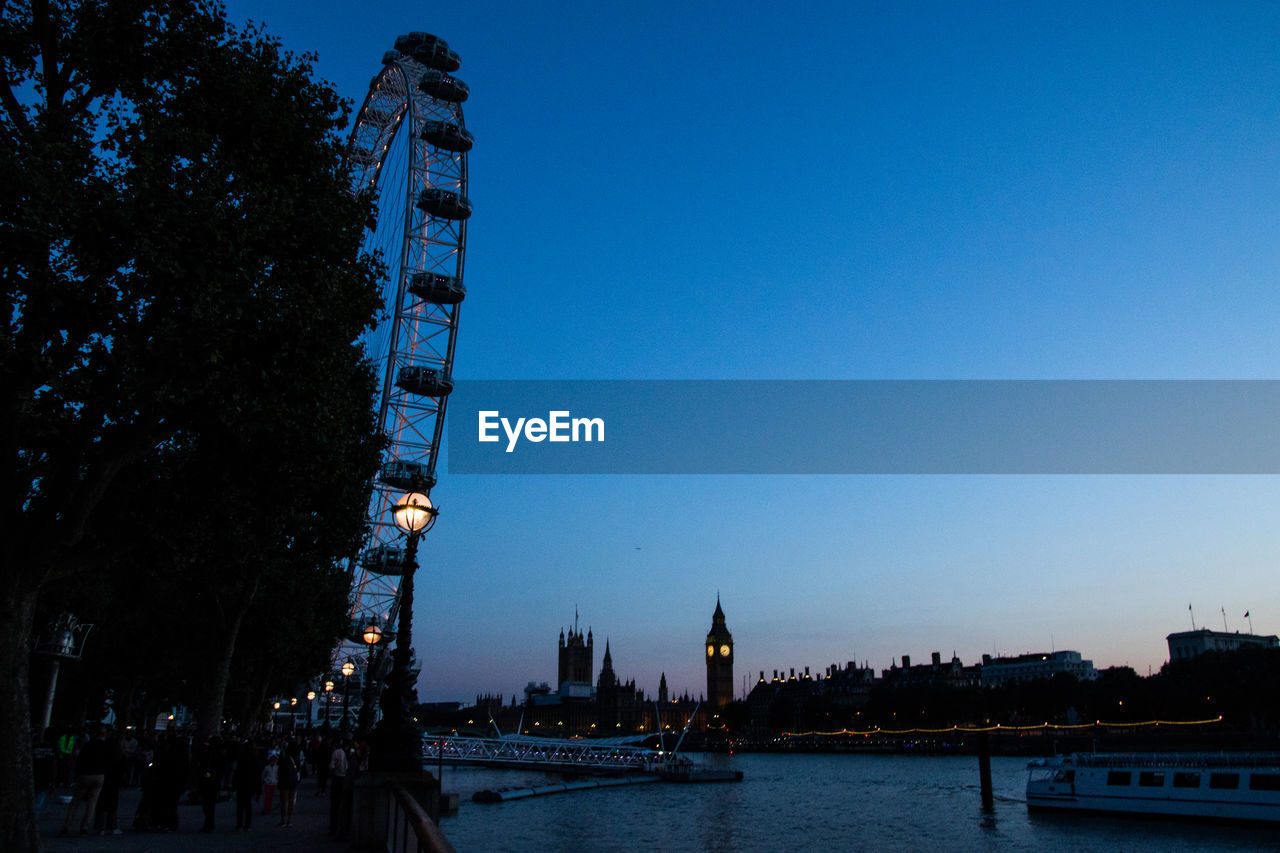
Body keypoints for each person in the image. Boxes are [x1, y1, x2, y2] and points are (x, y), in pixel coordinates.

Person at [58, 724, 108, 836]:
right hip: (99, 774)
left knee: (75, 801)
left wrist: (78, 774)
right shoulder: (105, 747)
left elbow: (80, 759)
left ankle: (67, 825)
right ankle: (84, 827)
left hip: (85, 774)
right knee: (92, 803)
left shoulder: (88, 745)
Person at [92, 728, 124, 835]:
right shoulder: (118, 757)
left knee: (100, 804)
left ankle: (99, 827)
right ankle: (112, 826)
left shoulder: (103, 753)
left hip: (103, 778)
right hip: (113, 781)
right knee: (112, 805)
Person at [232, 741, 261, 831]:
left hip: (242, 784)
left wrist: (234, 784)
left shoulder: (242, 759)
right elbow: (257, 775)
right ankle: (247, 825)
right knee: (247, 806)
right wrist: (258, 789)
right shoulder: (254, 759)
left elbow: (237, 773)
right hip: (249, 785)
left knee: (240, 806)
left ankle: (239, 824)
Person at [328, 737, 348, 836]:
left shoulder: (337, 752)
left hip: (337, 778)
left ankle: (334, 827)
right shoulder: (349, 753)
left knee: (335, 805)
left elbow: (331, 766)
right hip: (344, 779)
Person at [277, 742, 300, 827]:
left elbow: (280, 771)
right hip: (293, 781)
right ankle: (289, 820)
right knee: (291, 801)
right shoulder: (296, 759)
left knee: (284, 801)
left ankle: (283, 820)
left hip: (284, 782)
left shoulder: (284, 759)